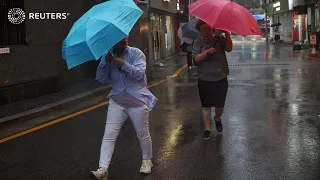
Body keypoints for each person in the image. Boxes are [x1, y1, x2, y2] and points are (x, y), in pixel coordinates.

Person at [90, 37, 158, 180]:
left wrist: (124, 65)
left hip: (137, 101)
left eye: (125, 35)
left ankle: (147, 161)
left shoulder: (136, 53)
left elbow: (140, 74)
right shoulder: (108, 57)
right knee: (109, 135)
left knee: (142, 133)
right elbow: (101, 78)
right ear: (112, 41)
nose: (124, 38)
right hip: (117, 102)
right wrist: (104, 61)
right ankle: (103, 169)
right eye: (119, 37)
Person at [192, 20, 233, 140]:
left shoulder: (220, 39)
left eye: (208, 29)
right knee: (206, 106)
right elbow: (195, 60)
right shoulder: (198, 42)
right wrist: (206, 53)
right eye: (203, 30)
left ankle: (217, 118)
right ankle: (207, 129)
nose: (205, 32)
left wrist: (227, 34)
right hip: (204, 79)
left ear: (213, 30)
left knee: (220, 105)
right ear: (200, 31)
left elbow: (229, 48)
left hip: (220, 77)